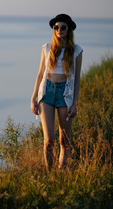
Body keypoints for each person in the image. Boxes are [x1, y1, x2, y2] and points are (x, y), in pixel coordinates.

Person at [31, 14, 83, 171]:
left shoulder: (77, 51)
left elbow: (77, 79)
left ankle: (61, 174)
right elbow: (40, 73)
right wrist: (33, 98)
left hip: (64, 95)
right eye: (56, 27)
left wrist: (75, 103)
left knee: (64, 140)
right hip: (46, 92)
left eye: (63, 27)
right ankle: (49, 175)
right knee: (49, 140)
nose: (59, 30)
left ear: (69, 30)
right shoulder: (46, 48)